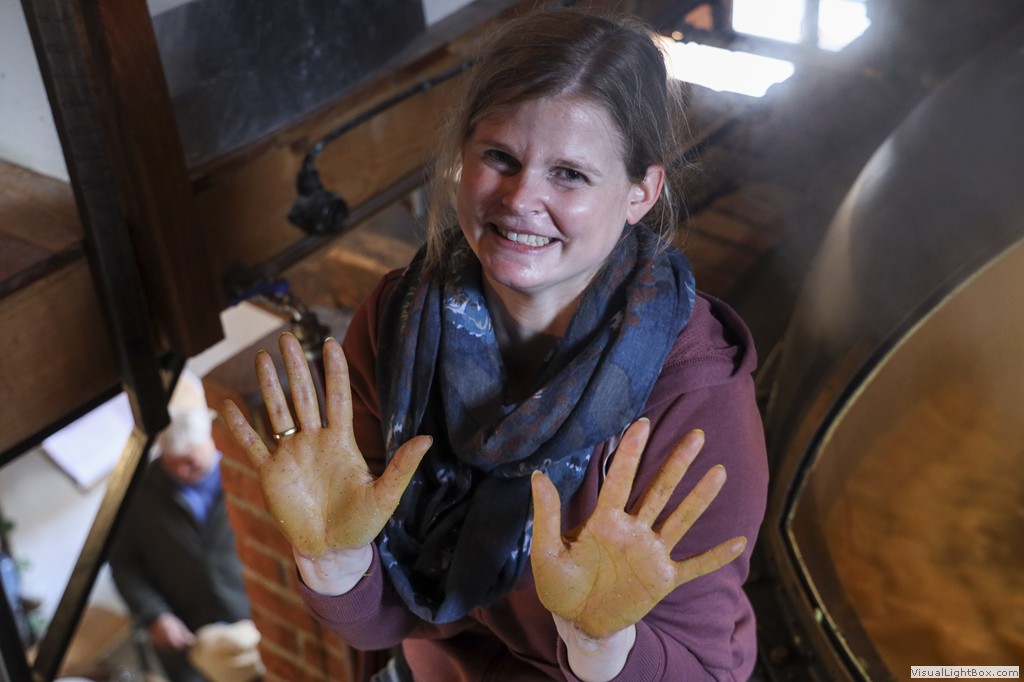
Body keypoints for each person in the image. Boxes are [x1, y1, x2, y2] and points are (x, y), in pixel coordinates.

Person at [223, 7, 768, 681]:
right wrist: (334, 560)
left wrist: (602, 643)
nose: (519, 198)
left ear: (640, 192)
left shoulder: (695, 396)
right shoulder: (399, 321)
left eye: (569, 174)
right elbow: (388, 619)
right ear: (464, 156)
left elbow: (708, 672)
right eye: (500, 158)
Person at [110, 371, 263, 682]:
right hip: (188, 644)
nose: (183, 469)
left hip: (255, 625)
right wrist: (155, 615)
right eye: (174, 461)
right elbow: (124, 564)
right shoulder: (139, 494)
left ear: (210, 437)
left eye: (191, 459)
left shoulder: (245, 473)